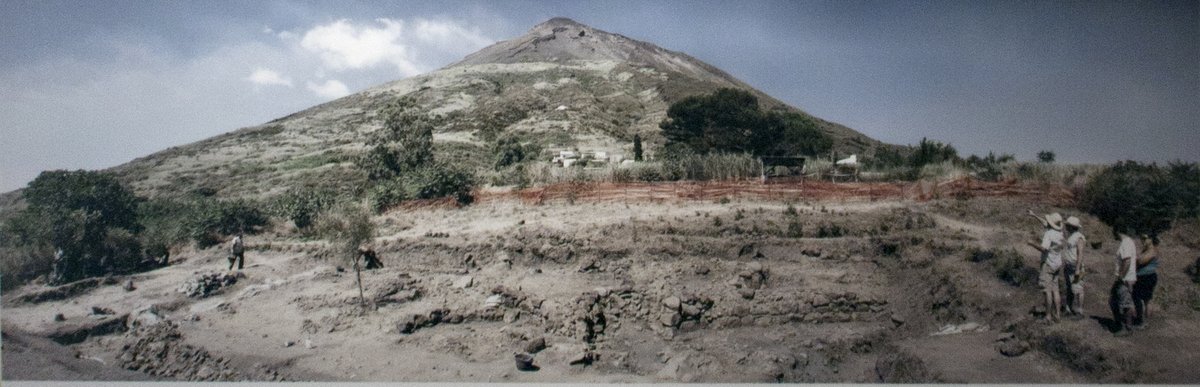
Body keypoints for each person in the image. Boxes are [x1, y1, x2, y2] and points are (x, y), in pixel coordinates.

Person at [1027, 211, 1065, 323]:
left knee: (1047, 291)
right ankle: (1057, 314)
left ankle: (1048, 316)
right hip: (1057, 264)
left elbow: (1044, 249)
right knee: (1055, 290)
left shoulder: (1049, 234)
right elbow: (1045, 223)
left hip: (1048, 264)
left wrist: (1032, 243)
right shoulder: (1060, 233)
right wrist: (1034, 215)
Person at [1110, 228, 1138, 336]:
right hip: (1125, 278)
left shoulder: (1126, 243)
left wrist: (1121, 277)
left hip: (1125, 279)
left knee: (1125, 304)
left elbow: (1127, 261)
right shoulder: (1128, 242)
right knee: (1113, 300)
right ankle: (1119, 324)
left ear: (1117, 231)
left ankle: (1127, 328)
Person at [1132, 234, 1160, 329]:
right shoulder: (1146, 250)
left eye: (1144, 238)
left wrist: (1135, 258)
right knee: (1145, 300)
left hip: (1147, 277)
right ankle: (1143, 321)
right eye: (1141, 238)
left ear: (1151, 239)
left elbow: (1141, 261)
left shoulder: (1152, 250)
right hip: (1143, 276)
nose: (1142, 240)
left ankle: (1141, 322)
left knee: (1141, 299)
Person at [1062, 216, 1087, 319]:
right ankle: (1068, 308)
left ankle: (1080, 311)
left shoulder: (1079, 237)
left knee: (1078, 289)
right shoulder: (1071, 236)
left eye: (1067, 225)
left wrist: (1077, 269)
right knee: (1069, 289)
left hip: (1076, 267)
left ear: (1072, 226)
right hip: (1069, 266)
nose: (1066, 227)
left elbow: (1080, 254)